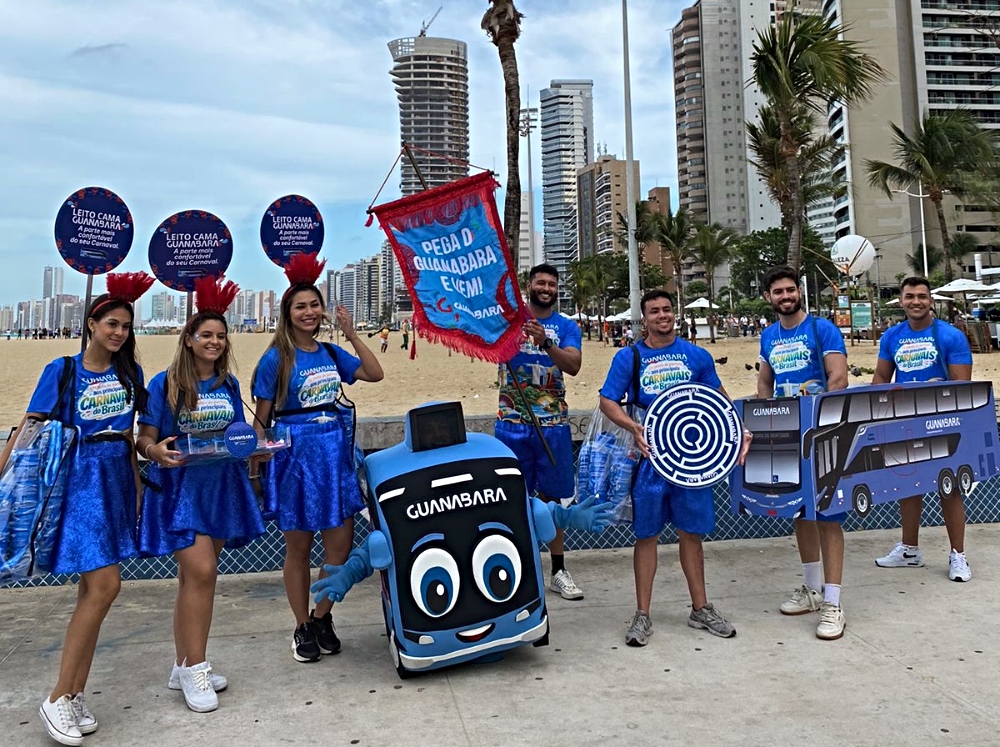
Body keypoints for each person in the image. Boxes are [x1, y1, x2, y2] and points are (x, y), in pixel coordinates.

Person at [0, 273, 153, 746]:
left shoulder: (130, 374)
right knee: (106, 586)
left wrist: (136, 490)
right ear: (91, 323)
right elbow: (28, 430)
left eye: (126, 326)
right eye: (111, 323)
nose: (119, 333)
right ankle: (58, 695)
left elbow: (130, 437)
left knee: (94, 589)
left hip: (114, 480)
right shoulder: (62, 370)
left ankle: (76, 693)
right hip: (78, 479)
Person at [136, 275, 265, 713]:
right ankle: (196, 670)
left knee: (194, 579)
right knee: (204, 571)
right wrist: (153, 450)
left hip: (222, 486)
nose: (214, 342)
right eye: (206, 335)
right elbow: (145, 437)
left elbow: (240, 433)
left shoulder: (228, 384)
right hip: (180, 489)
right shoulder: (164, 383)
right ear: (188, 339)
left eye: (221, 336)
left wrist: (258, 445)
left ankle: (182, 664)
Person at [252, 253, 384, 663]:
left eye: (314, 305)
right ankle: (300, 627)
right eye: (300, 306)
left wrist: (351, 333)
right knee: (298, 550)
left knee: (340, 548)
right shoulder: (276, 358)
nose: (309, 312)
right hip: (295, 459)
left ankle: (321, 615)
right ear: (287, 313)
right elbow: (261, 420)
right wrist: (258, 467)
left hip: (335, 453)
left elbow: (374, 373)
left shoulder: (330, 353)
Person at [600, 289, 749, 646]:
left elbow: (719, 399)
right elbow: (607, 401)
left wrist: (738, 430)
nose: (663, 316)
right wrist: (632, 427)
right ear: (644, 318)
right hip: (650, 460)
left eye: (668, 309)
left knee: (691, 534)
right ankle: (642, 614)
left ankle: (701, 608)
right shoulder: (629, 357)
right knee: (646, 536)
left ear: (674, 313)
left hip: (693, 460)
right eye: (655, 311)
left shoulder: (697, 355)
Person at [757, 265, 849, 640]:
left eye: (790, 289)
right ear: (769, 297)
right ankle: (812, 589)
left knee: (828, 514)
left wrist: (821, 420)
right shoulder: (768, 335)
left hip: (823, 433)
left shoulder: (821, 328)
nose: (785, 296)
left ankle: (833, 602)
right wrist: (766, 418)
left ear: (799, 291)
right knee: (799, 510)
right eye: (777, 291)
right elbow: (765, 382)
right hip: (786, 434)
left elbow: (838, 378)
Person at [872, 277, 974, 581]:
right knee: (908, 486)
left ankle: (958, 554)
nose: (915, 302)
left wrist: (936, 389)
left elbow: (962, 386)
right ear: (901, 301)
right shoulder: (891, 336)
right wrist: (878, 409)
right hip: (905, 421)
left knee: (950, 487)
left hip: (943, 423)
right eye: (909, 297)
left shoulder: (951, 336)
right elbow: (881, 378)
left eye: (921, 296)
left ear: (931, 301)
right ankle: (909, 549)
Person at [495, 263, 584, 599]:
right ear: (529, 285)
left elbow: (573, 366)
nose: (546, 288)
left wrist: (546, 342)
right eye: (540, 282)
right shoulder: (509, 323)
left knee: (552, 501)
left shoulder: (566, 326)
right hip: (511, 424)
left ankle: (558, 569)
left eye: (552, 284)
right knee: (513, 500)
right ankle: (518, 569)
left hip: (553, 426)